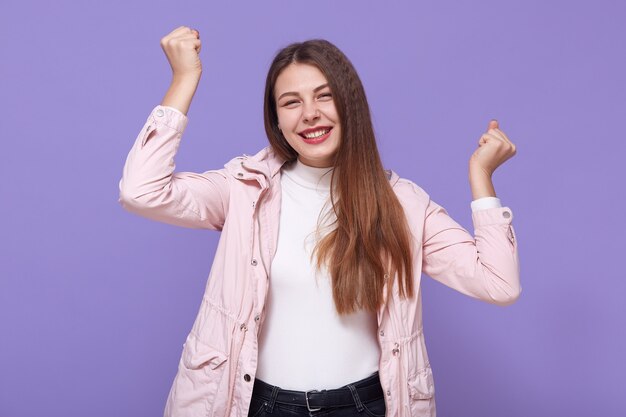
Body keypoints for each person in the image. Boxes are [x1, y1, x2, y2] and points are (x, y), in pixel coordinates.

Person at [118, 26, 521, 417]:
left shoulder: (404, 205)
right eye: (291, 102)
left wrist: (481, 179)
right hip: (259, 404)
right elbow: (141, 192)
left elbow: (498, 284)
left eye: (324, 97)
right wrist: (184, 80)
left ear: (351, 106)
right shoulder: (243, 189)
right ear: (276, 119)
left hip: (363, 406)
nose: (310, 114)